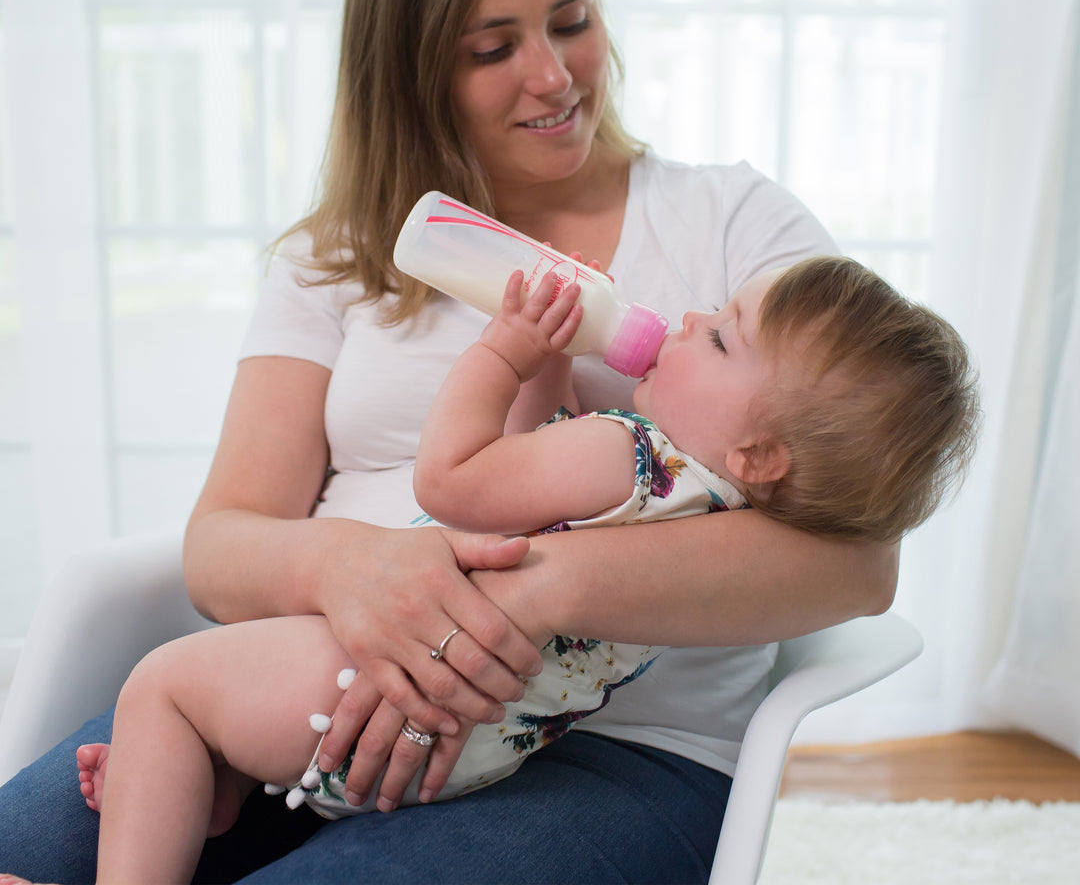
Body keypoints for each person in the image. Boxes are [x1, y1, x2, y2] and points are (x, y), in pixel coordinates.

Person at [0, 0, 912, 884]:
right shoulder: (334, 255)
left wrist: (522, 601)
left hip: (611, 754)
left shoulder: (734, 230)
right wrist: (355, 572)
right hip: (313, 686)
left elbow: (859, 561)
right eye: (493, 47)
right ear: (412, 65)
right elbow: (222, 543)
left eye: (573, 20)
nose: (554, 75)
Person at [66, 253, 978, 883]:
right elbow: (528, 470)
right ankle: (217, 787)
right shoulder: (705, 516)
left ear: (762, 453)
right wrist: (551, 376)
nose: (694, 317)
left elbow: (456, 480)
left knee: (165, 691)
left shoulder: (624, 454)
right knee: (217, 713)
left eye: (722, 339)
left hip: (364, 684)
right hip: (481, 751)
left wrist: (503, 351)